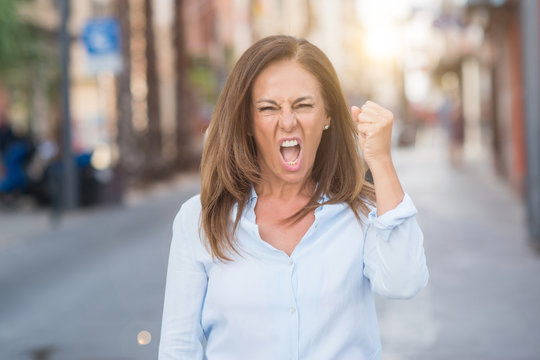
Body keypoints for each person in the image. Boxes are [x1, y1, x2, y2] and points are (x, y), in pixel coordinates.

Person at [159, 35, 428, 360]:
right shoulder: (199, 220)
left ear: (327, 115)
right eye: (269, 108)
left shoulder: (364, 213)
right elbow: (178, 348)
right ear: (247, 121)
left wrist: (381, 161)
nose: (288, 121)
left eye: (303, 105)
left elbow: (404, 282)